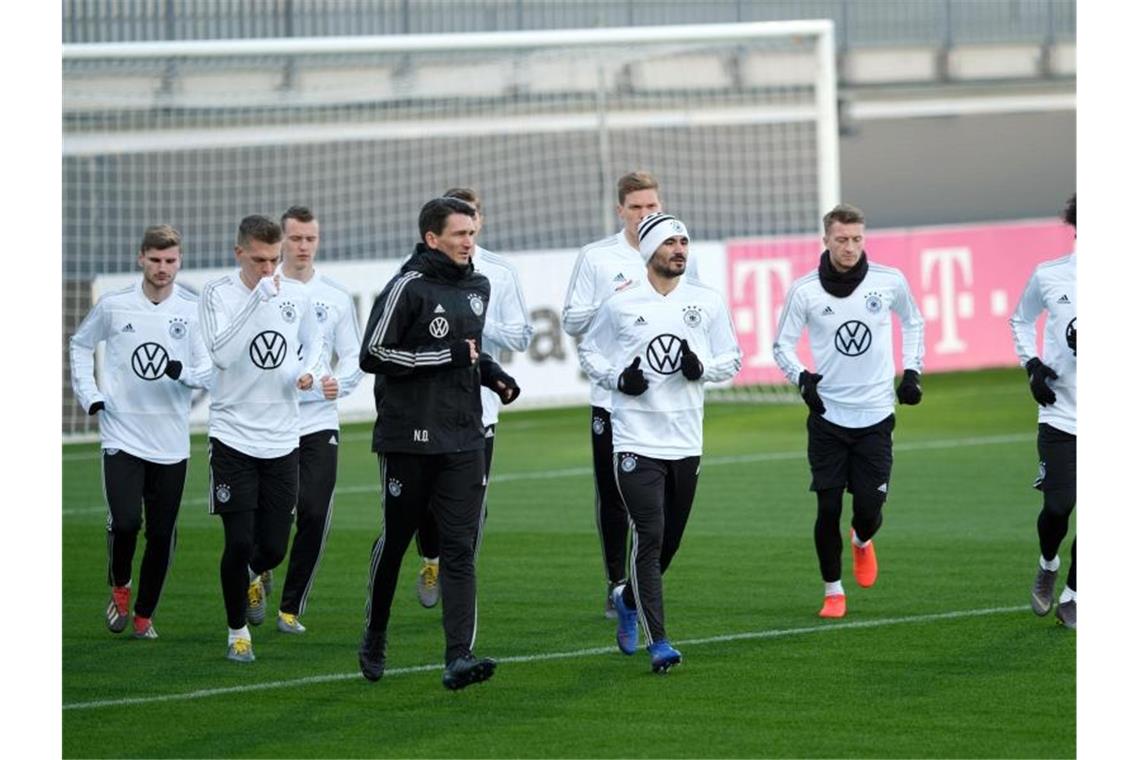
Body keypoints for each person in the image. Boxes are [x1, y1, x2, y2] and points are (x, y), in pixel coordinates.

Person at [357, 197, 520, 690]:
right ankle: (375, 633)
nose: (469, 241)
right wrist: (444, 356)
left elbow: (467, 353)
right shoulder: (406, 286)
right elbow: (374, 354)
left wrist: (492, 374)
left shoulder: (478, 285)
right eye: (459, 234)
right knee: (397, 542)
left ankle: (458, 658)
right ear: (433, 239)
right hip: (409, 438)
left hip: (464, 437)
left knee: (459, 548)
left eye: (471, 232)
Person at [579, 212, 741, 673]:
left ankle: (627, 598)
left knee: (668, 543)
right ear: (650, 251)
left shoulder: (706, 302)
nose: (679, 250)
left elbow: (732, 357)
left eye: (684, 242)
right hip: (634, 439)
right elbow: (589, 349)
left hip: (686, 440)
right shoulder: (621, 304)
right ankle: (660, 642)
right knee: (648, 535)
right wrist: (617, 378)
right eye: (670, 243)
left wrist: (701, 369)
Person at [772, 203, 925, 619]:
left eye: (857, 239)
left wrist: (912, 372)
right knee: (827, 508)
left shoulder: (888, 281)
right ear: (826, 240)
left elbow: (914, 321)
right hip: (828, 417)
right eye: (842, 239)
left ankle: (861, 540)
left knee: (869, 511)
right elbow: (781, 344)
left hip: (876, 416)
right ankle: (833, 590)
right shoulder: (804, 290)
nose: (850, 247)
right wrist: (802, 377)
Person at [69, 225, 213, 640]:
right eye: (155, 260)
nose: (163, 268)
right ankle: (119, 585)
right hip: (122, 434)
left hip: (170, 440)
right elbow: (80, 344)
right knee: (127, 521)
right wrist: (91, 395)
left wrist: (181, 372)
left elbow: (205, 370)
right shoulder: (114, 306)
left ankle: (145, 615)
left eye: (170, 261)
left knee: (162, 533)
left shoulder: (191, 310)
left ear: (179, 262)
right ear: (140, 259)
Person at [198, 215, 326, 662]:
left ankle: (255, 575)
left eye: (275, 260)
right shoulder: (218, 294)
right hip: (232, 435)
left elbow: (314, 343)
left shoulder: (299, 295)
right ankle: (237, 631)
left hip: (282, 438)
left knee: (273, 546)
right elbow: (221, 355)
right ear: (239, 255)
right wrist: (256, 300)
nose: (269, 269)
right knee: (236, 541)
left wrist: (308, 370)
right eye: (259, 261)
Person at [410, 187, 534, 608]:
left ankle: (459, 578)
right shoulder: (418, 274)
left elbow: (521, 334)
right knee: (426, 506)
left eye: (474, 217)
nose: (469, 228)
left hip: (479, 407)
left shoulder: (498, 271)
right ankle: (430, 558)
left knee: (471, 505)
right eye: (459, 221)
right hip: (430, 407)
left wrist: (477, 323)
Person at [563, 170, 663, 618]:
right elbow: (571, 321)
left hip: (664, 400)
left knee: (663, 500)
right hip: (612, 397)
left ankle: (645, 579)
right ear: (620, 210)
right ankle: (616, 582)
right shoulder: (597, 258)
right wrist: (617, 301)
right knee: (614, 494)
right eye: (637, 207)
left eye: (652, 207)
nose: (645, 215)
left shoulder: (676, 249)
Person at [261, 205, 364, 634]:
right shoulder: (265, 291)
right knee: (274, 515)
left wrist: (338, 384)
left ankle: (290, 607)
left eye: (310, 239)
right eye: (296, 238)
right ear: (282, 240)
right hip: (273, 420)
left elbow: (355, 356)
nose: (303, 246)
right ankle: (258, 567)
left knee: (315, 512)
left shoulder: (335, 297)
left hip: (320, 420)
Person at [1009, 193, 1076, 630]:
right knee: (1058, 507)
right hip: (1062, 413)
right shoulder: (1050, 275)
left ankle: (1074, 593)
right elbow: (1019, 319)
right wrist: (1032, 366)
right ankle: (1048, 562)